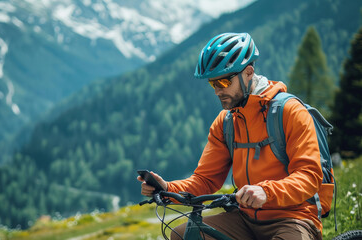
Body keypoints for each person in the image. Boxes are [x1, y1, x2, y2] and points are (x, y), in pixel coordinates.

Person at [137, 32, 323, 240]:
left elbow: (310, 176)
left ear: (248, 72)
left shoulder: (289, 112)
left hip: (293, 218)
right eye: (212, 84)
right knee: (183, 235)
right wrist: (167, 188)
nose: (217, 91)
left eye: (223, 82)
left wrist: (266, 192)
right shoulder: (226, 123)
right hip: (244, 219)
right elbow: (205, 180)